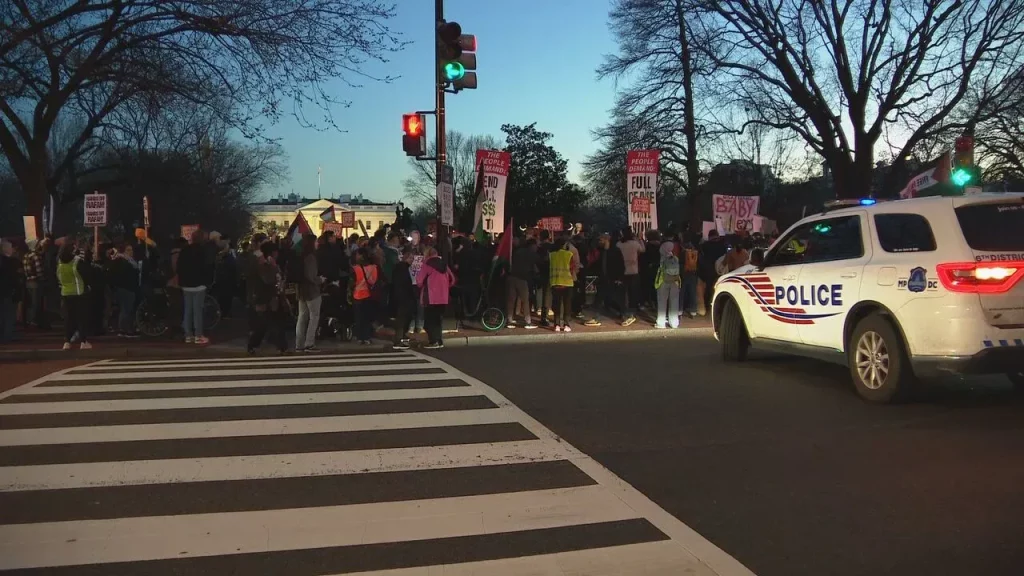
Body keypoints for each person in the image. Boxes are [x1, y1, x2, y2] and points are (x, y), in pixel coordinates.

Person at [247, 242, 287, 355]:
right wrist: (273, 267)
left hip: (274, 297)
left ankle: (281, 346)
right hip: (264, 298)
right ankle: (253, 344)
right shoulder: (262, 265)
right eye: (275, 252)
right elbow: (268, 280)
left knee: (276, 322)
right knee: (263, 324)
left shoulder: (272, 264)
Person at [176, 230, 213, 344]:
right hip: (199, 284)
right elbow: (208, 267)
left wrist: (182, 281)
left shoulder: (185, 250)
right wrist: (207, 281)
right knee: (198, 310)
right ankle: (198, 335)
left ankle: (188, 335)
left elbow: (179, 266)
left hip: (186, 284)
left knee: (188, 310)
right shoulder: (203, 251)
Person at [416, 246, 456, 349]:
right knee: (438, 320)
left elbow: (419, 281)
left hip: (431, 297)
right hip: (443, 297)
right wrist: (444, 287)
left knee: (429, 321)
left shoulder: (427, 264)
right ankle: (439, 340)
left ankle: (434, 341)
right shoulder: (444, 264)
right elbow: (452, 279)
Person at [56, 241, 92, 350]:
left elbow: (57, 276)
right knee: (81, 318)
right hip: (79, 292)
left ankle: (67, 342)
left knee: (68, 319)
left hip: (65, 293)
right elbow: (86, 274)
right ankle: (83, 341)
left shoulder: (60, 262)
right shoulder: (77, 261)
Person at [295, 233, 322, 352]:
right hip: (312, 291)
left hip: (301, 290)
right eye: (316, 241)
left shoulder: (300, 255)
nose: (317, 244)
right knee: (314, 317)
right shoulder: (311, 257)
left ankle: (299, 344)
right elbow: (311, 276)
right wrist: (321, 279)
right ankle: (309, 343)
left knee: (302, 317)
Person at [110, 243, 142, 337]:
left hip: (129, 287)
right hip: (126, 287)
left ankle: (125, 329)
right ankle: (124, 329)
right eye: (128, 250)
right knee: (126, 309)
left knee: (127, 309)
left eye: (131, 250)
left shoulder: (130, 261)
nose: (130, 252)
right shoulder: (123, 261)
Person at [507, 238, 538, 329]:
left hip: (511, 276)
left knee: (511, 300)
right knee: (525, 300)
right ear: (532, 246)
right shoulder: (530, 253)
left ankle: (509, 320)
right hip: (522, 279)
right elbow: (539, 261)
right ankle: (527, 321)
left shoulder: (516, 252)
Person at [617, 228, 646, 322]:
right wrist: (640, 239)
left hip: (622, 271)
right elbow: (643, 250)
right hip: (634, 271)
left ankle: (623, 312)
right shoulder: (635, 244)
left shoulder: (619, 244)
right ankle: (632, 312)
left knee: (623, 293)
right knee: (633, 292)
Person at [351, 248, 379, 345]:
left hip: (357, 295)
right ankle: (367, 337)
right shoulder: (374, 267)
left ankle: (360, 337)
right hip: (369, 294)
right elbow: (374, 281)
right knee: (367, 318)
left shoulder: (355, 268)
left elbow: (352, 283)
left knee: (359, 318)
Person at [391, 247, 417, 350]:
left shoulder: (401, 268)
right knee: (401, 320)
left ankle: (401, 337)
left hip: (402, 297)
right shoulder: (402, 269)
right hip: (403, 298)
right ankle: (398, 340)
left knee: (404, 318)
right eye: (410, 258)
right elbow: (403, 284)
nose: (412, 260)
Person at [548, 237, 576, 332]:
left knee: (556, 304)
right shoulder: (569, 254)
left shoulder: (551, 255)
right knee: (567, 305)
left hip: (555, 282)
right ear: (564, 245)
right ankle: (566, 324)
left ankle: (556, 325)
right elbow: (572, 268)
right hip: (567, 283)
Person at [655, 240, 681, 329]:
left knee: (662, 301)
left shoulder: (662, 258)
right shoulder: (675, 258)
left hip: (663, 281)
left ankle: (661, 322)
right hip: (675, 281)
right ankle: (674, 322)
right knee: (674, 301)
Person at [0, 240, 17, 342]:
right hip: (6, 290)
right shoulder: (9, 261)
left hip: (5, 289)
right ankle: (7, 336)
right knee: (8, 314)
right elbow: (12, 277)